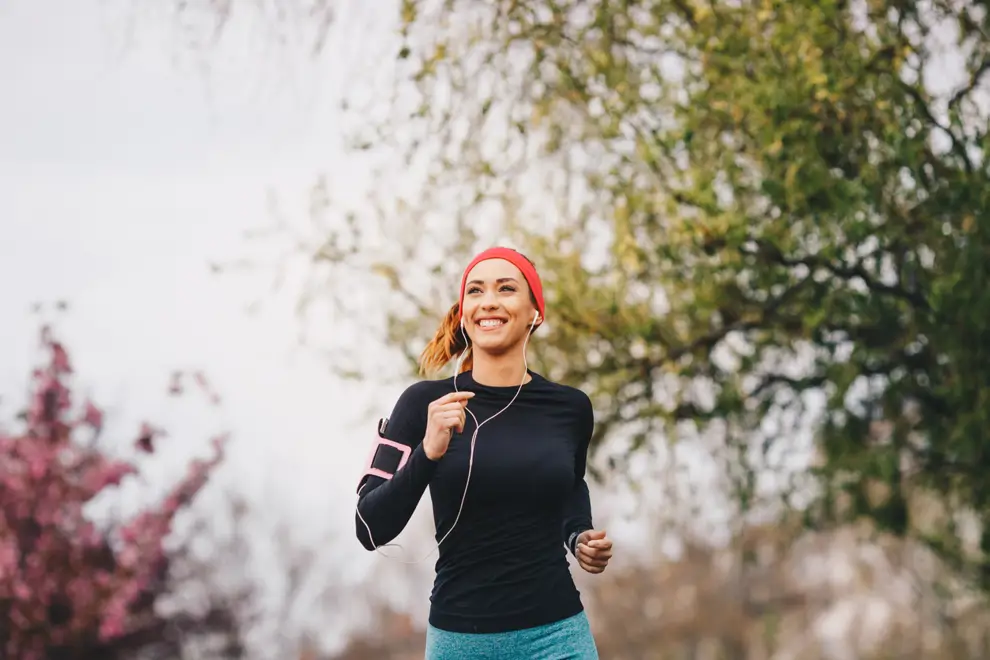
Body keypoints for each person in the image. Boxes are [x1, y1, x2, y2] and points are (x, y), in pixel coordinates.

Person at [355, 246, 613, 660]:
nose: (489, 300)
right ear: (464, 313)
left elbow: (568, 485)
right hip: (461, 642)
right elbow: (369, 527)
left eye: (506, 288)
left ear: (535, 312)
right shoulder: (422, 404)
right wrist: (428, 452)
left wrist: (579, 534)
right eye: (475, 291)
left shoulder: (570, 408)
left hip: (557, 637)